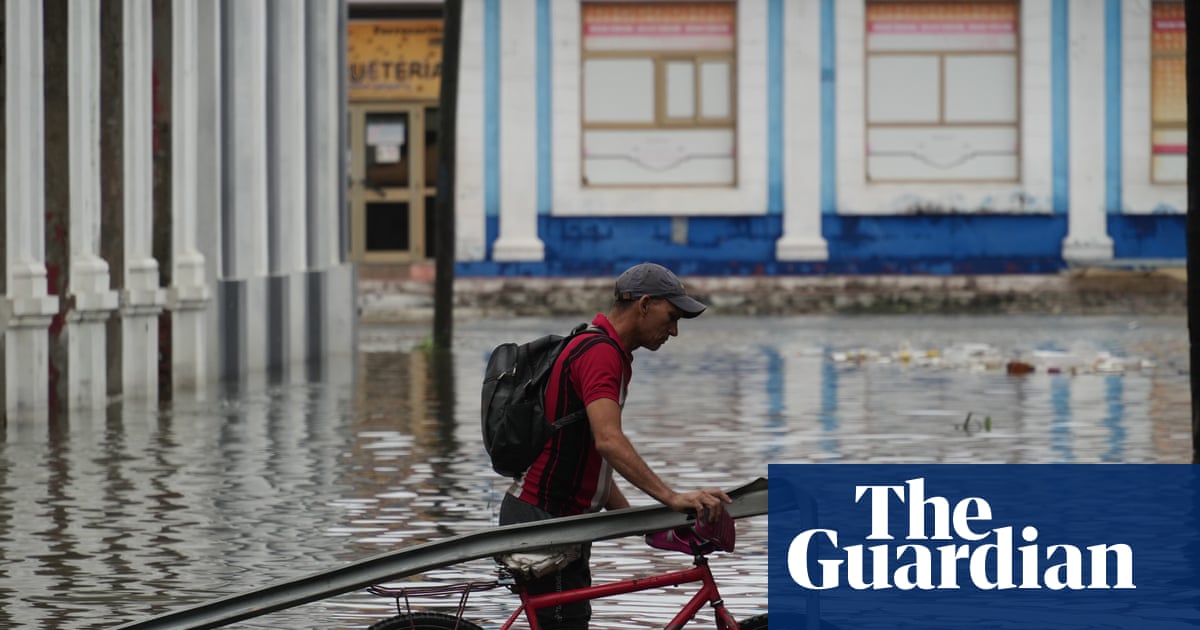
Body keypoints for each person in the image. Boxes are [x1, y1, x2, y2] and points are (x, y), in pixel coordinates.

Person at [499, 262, 733, 629]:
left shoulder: (599, 347)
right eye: (671, 317)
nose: (673, 331)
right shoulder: (600, 354)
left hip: (560, 519)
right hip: (546, 519)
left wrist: (638, 523)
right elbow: (608, 441)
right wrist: (671, 498)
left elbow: (590, 459)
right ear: (643, 304)